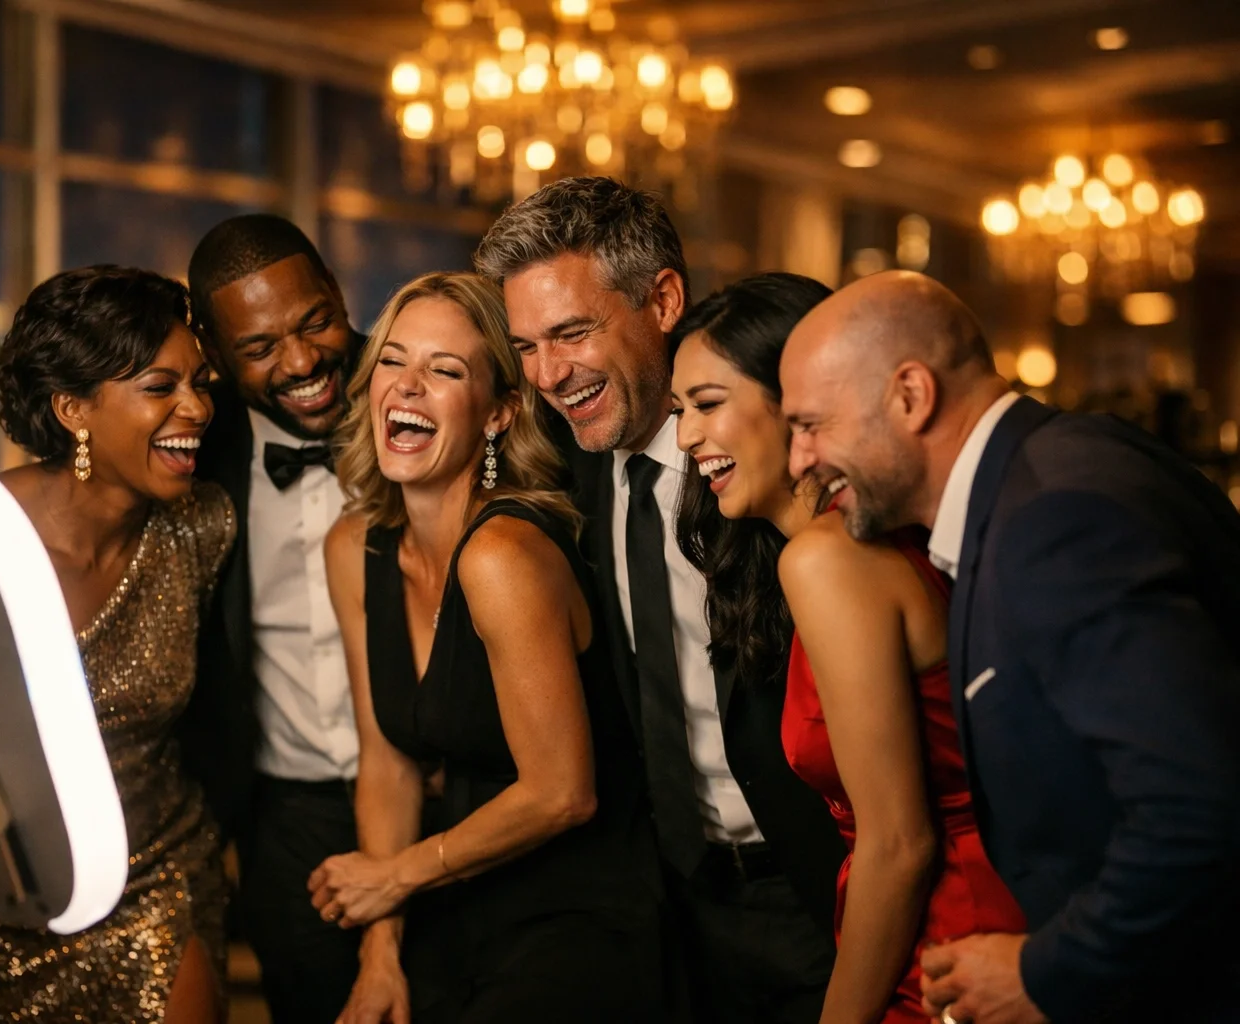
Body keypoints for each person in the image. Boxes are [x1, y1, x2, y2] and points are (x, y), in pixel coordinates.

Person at [779, 269, 1240, 1024]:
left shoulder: (1052, 523)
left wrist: (1046, 971)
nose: (799, 459)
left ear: (910, 395)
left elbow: (1196, 805)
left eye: (812, 424)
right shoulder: (1066, 459)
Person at [474, 176, 844, 1023]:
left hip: (814, 890)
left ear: (664, 298)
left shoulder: (772, 465)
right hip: (668, 906)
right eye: (527, 346)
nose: (548, 374)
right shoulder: (568, 474)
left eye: (571, 333)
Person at [670, 273, 1026, 1024]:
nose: (685, 437)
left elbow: (898, 845)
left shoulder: (828, 559)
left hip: (945, 941)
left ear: (792, 397)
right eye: (678, 412)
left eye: (706, 405)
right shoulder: (841, 543)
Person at [311, 272, 660, 1024]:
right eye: (393, 363)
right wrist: (381, 954)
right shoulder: (354, 548)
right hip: (452, 903)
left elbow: (563, 793)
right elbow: (388, 757)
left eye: (444, 371)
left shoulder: (502, 554)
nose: (407, 387)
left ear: (499, 413)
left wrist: (397, 876)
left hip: (577, 914)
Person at [0, 265, 233, 1023]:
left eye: (200, 381)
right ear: (74, 409)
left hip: (157, 877)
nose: (196, 407)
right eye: (161, 387)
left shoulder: (201, 529)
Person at [185, 214, 366, 1024]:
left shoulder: (423, 399)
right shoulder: (194, 457)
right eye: (259, 349)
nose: (299, 363)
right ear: (217, 357)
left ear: (338, 296)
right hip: (286, 816)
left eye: (315, 323)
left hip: (446, 792)